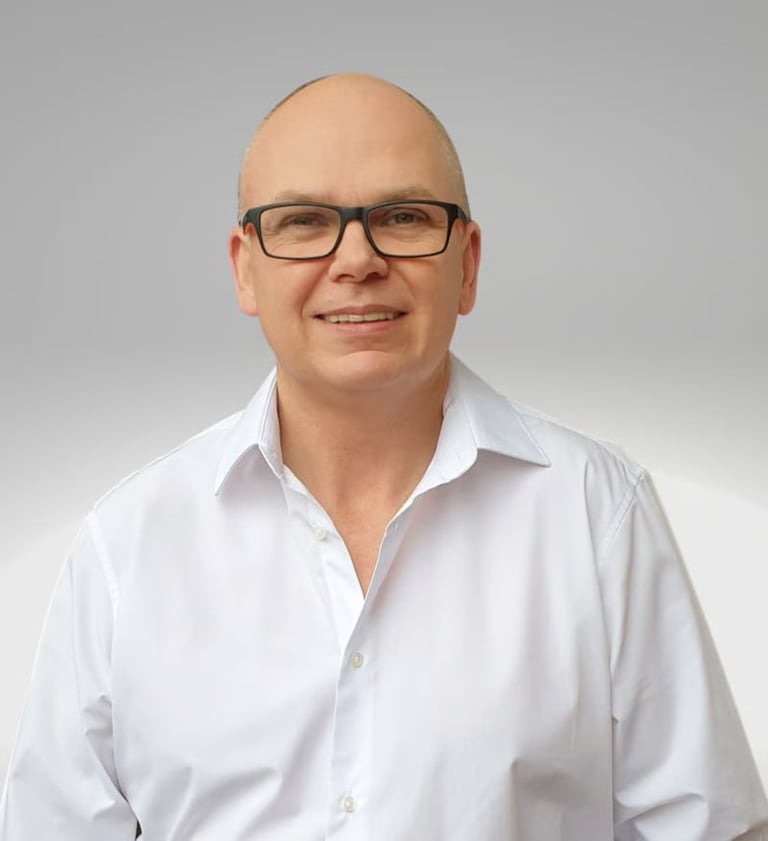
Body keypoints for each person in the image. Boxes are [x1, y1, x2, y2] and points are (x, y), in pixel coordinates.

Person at [0, 72, 766, 841]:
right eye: (304, 221)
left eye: (402, 216)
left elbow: (713, 830)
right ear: (244, 267)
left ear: (466, 265)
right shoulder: (126, 543)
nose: (358, 258)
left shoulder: (599, 510)